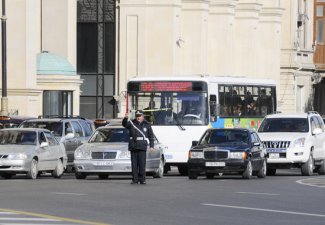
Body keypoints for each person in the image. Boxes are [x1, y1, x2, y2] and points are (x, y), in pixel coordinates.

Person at [122, 110, 155, 184]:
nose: (138, 117)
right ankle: (135, 179)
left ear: (143, 116)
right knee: (134, 164)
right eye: (137, 116)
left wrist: (151, 146)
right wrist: (125, 118)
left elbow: (151, 136)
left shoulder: (147, 124)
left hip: (142, 146)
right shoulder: (131, 123)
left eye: (139, 116)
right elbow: (124, 125)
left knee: (142, 164)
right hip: (133, 146)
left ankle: (142, 179)